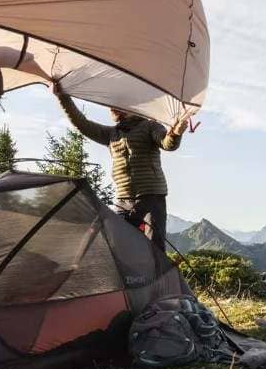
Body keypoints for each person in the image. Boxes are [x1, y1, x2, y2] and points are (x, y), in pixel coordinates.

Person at [52, 83, 190, 250]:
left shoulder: (150, 126)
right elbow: (82, 124)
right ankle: (125, 277)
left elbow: (167, 143)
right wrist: (63, 97)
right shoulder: (111, 134)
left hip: (151, 198)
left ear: (132, 107)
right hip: (123, 200)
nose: (113, 109)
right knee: (116, 245)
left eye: (118, 105)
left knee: (155, 248)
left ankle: (157, 276)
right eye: (111, 106)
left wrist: (175, 132)